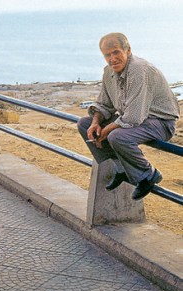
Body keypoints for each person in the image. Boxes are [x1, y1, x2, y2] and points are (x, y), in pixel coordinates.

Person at [77, 32, 180, 200]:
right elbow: (104, 104)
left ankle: (148, 174)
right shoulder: (108, 72)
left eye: (116, 52)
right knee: (84, 124)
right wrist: (95, 122)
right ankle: (121, 169)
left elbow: (133, 115)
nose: (112, 58)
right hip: (136, 120)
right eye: (107, 55)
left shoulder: (139, 70)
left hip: (160, 122)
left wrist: (108, 129)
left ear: (128, 50)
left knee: (117, 136)